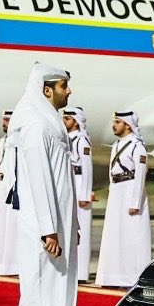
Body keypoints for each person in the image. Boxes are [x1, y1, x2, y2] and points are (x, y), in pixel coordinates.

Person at [8, 63, 78, 306]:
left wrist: (70, 225)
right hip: (42, 223)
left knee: (58, 285)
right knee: (38, 285)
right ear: (46, 90)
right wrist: (49, 229)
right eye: (64, 86)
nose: (69, 91)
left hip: (58, 221)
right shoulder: (36, 125)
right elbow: (39, 180)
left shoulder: (51, 124)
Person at [96, 110, 151, 287]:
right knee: (114, 235)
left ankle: (131, 277)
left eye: (117, 122)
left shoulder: (137, 146)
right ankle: (113, 276)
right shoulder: (116, 145)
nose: (114, 125)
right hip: (117, 192)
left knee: (131, 236)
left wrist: (135, 202)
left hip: (130, 191)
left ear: (127, 125)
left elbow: (140, 175)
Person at [62, 106, 94, 271]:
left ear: (76, 122)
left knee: (82, 227)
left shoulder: (82, 141)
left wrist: (85, 194)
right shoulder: (66, 139)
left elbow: (87, 168)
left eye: (67, 119)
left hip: (79, 182)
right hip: (69, 180)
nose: (63, 121)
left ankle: (81, 270)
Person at [0, 110, 18, 276]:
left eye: (7, 120)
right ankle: (1, 263)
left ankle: (12, 263)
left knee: (12, 228)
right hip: (2, 189)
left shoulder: (18, 140)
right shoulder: (3, 141)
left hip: (12, 190)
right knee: (1, 229)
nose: (3, 123)